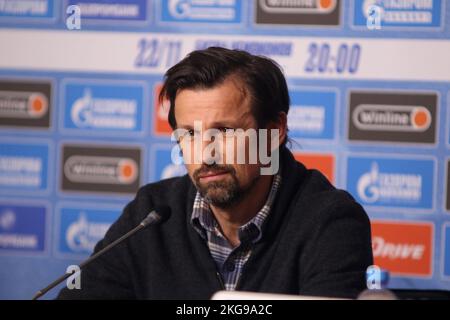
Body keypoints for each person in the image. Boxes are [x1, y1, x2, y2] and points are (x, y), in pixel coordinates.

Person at [57, 47, 373, 300]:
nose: (207, 153)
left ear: (274, 131)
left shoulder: (331, 221)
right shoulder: (151, 212)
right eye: (190, 135)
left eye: (224, 131)